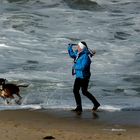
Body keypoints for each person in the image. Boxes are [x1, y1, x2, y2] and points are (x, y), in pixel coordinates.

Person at [67, 41, 100, 113]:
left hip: (84, 76)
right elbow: (72, 55)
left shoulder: (85, 56)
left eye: (78, 47)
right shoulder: (78, 54)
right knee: (80, 91)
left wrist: (75, 66)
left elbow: (83, 66)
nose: (77, 48)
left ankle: (80, 107)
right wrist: (69, 47)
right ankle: (92, 104)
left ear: (82, 48)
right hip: (79, 75)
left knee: (81, 91)